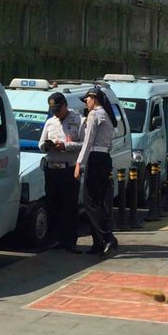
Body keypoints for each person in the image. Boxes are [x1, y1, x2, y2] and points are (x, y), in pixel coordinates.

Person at [38, 93, 84, 254]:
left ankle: (70, 241)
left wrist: (65, 146)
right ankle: (56, 238)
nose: (56, 113)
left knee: (69, 207)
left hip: (69, 169)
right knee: (53, 205)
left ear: (65, 106)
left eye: (58, 109)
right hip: (52, 169)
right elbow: (40, 143)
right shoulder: (50, 122)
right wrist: (47, 146)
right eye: (53, 110)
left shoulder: (78, 120)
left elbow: (84, 144)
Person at [75, 86, 118, 256]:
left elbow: (88, 141)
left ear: (94, 98)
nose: (86, 102)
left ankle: (107, 237)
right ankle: (98, 242)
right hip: (105, 158)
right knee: (97, 202)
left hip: (95, 158)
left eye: (87, 99)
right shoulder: (105, 115)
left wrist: (79, 163)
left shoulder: (94, 114)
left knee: (90, 202)